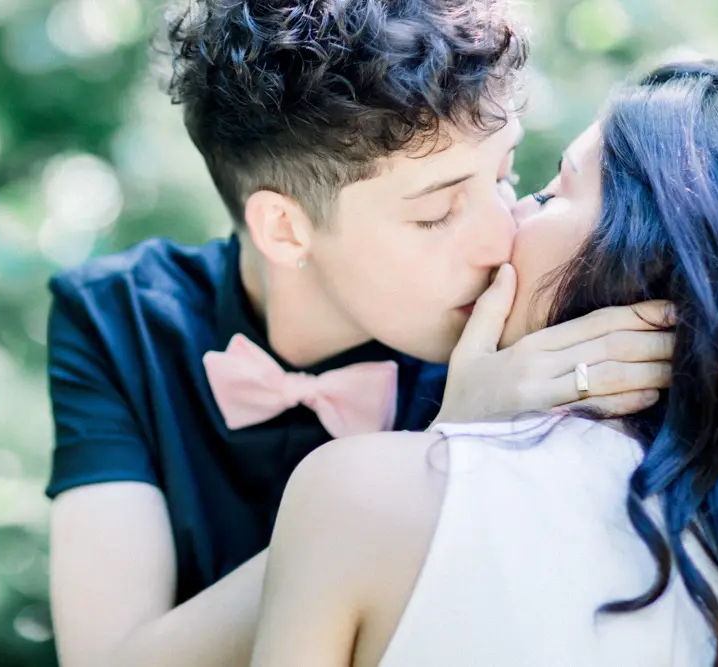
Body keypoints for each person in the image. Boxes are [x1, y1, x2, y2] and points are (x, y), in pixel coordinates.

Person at [45, 1, 674, 666]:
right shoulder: (119, 319)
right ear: (285, 229)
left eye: (504, 173)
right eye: (436, 213)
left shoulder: (515, 343)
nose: (504, 234)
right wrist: (439, 452)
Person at [251, 60, 718, 667]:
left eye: (549, 192)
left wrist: (444, 445)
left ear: (649, 253)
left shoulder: (365, 496)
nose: (506, 226)